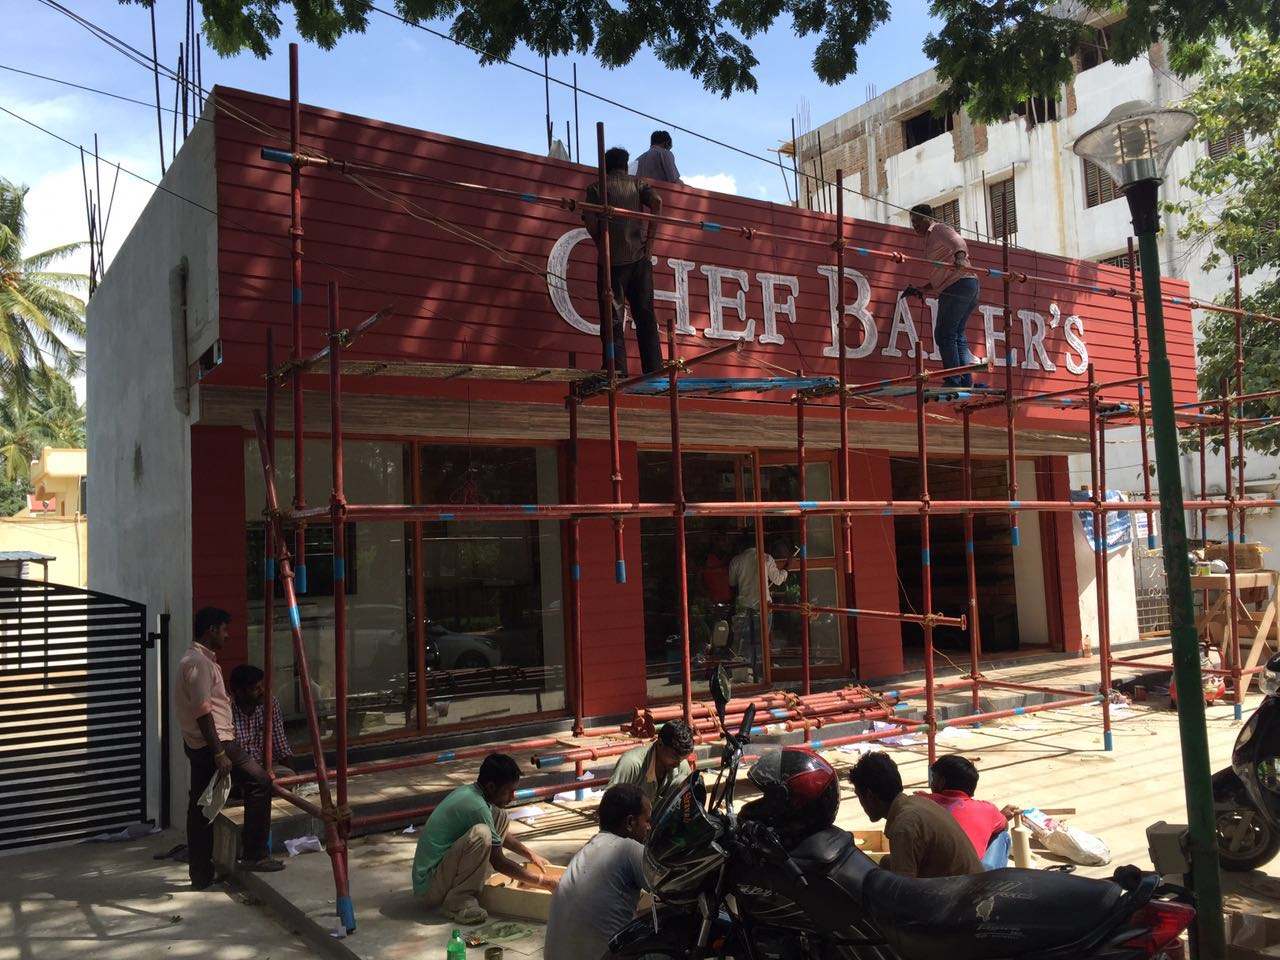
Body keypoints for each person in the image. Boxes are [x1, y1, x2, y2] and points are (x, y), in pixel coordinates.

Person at [176, 607, 283, 890]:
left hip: (203, 742)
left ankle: (201, 875)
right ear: (211, 629)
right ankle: (255, 855)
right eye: (224, 629)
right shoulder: (198, 663)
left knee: (202, 808)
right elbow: (203, 711)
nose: (227, 635)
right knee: (260, 781)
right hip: (216, 741)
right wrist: (219, 752)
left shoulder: (196, 660)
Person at [411, 753, 555, 925]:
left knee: (499, 815)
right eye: (508, 791)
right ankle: (458, 901)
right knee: (481, 834)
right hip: (429, 888)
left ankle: (472, 883)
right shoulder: (477, 807)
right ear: (491, 787)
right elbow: (498, 861)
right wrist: (544, 882)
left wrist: (530, 854)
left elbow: (498, 836)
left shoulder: (472, 793)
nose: (512, 797)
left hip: (439, 872)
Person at [544, 784, 652, 958]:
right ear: (630, 822)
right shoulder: (628, 848)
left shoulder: (590, 846)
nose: (649, 828)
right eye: (647, 821)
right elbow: (673, 888)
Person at [583, 147, 664, 377]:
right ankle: (654, 370)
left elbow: (590, 221)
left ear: (606, 167)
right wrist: (649, 243)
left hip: (612, 263)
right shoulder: (638, 185)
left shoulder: (596, 188)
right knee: (646, 318)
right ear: (625, 166)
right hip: (639, 258)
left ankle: (617, 369)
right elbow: (657, 201)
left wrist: (601, 241)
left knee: (613, 321)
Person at [849, 751, 982, 879]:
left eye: (859, 796)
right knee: (886, 863)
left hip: (961, 892)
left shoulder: (904, 825)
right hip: (970, 883)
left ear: (870, 797)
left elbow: (902, 888)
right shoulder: (917, 803)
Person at [903, 203, 982, 387]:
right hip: (965, 285)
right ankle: (965, 380)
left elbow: (958, 242)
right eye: (912, 222)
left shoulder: (938, 229)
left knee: (944, 334)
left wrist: (960, 258)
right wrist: (923, 289)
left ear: (928, 218)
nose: (915, 226)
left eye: (917, 221)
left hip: (958, 286)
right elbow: (942, 274)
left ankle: (954, 379)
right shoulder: (930, 239)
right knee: (956, 335)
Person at [920, 755, 1013, 869]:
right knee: (1002, 835)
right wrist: (999, 816)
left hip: (922, 876)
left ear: (941, 782)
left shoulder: (919, 801)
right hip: (970, 877)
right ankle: (991, 878)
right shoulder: (987, 810)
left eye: (933, 778)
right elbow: (1004, 825)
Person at [728, 536, 788, 666]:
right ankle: (762, 666)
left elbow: (732, 582)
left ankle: (747, 667)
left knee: (744, 641)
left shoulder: (736, 560)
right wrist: (785, 570)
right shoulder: (766, 558)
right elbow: (778, 580)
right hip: (763, 606)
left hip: (744, 605)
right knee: (762, 640)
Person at [607, 719, 694, 806]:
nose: (678, 764)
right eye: (674, 757)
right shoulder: (631, 764)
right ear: (660, 743)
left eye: (682, 759)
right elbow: (609, 805)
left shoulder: (682, 765)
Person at [229, 664, 295, 776]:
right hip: (239, 771)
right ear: (239, 692)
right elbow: (231, 753)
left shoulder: (270, 704)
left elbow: (281, 746)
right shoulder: (227, 710)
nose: (262, 691)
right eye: (256, 689)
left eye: (262, 686)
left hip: (267, 767)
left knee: (288, 775)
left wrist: (295, 776)